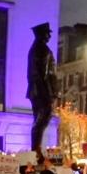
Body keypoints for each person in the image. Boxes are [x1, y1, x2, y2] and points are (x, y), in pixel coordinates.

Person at [26, 22, 58, 155]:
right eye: (47, 33)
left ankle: (36, 148)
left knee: (39, 119)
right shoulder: (42, 49)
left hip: (36, 90)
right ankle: (36, 149)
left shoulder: (35, 48)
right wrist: (50, 94)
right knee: (43, 118)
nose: (49, 36)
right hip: (41, 91)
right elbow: (43, 74)